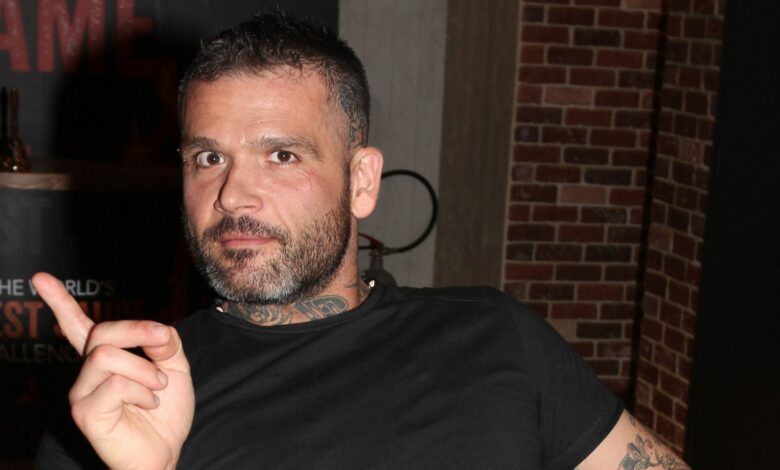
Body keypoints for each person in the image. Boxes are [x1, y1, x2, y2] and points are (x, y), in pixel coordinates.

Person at [33, 11, 690, 470]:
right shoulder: (118, 404)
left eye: (282, 155)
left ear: (362, 181)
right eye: (208, 158)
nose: (232, 194)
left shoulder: (496, 336)